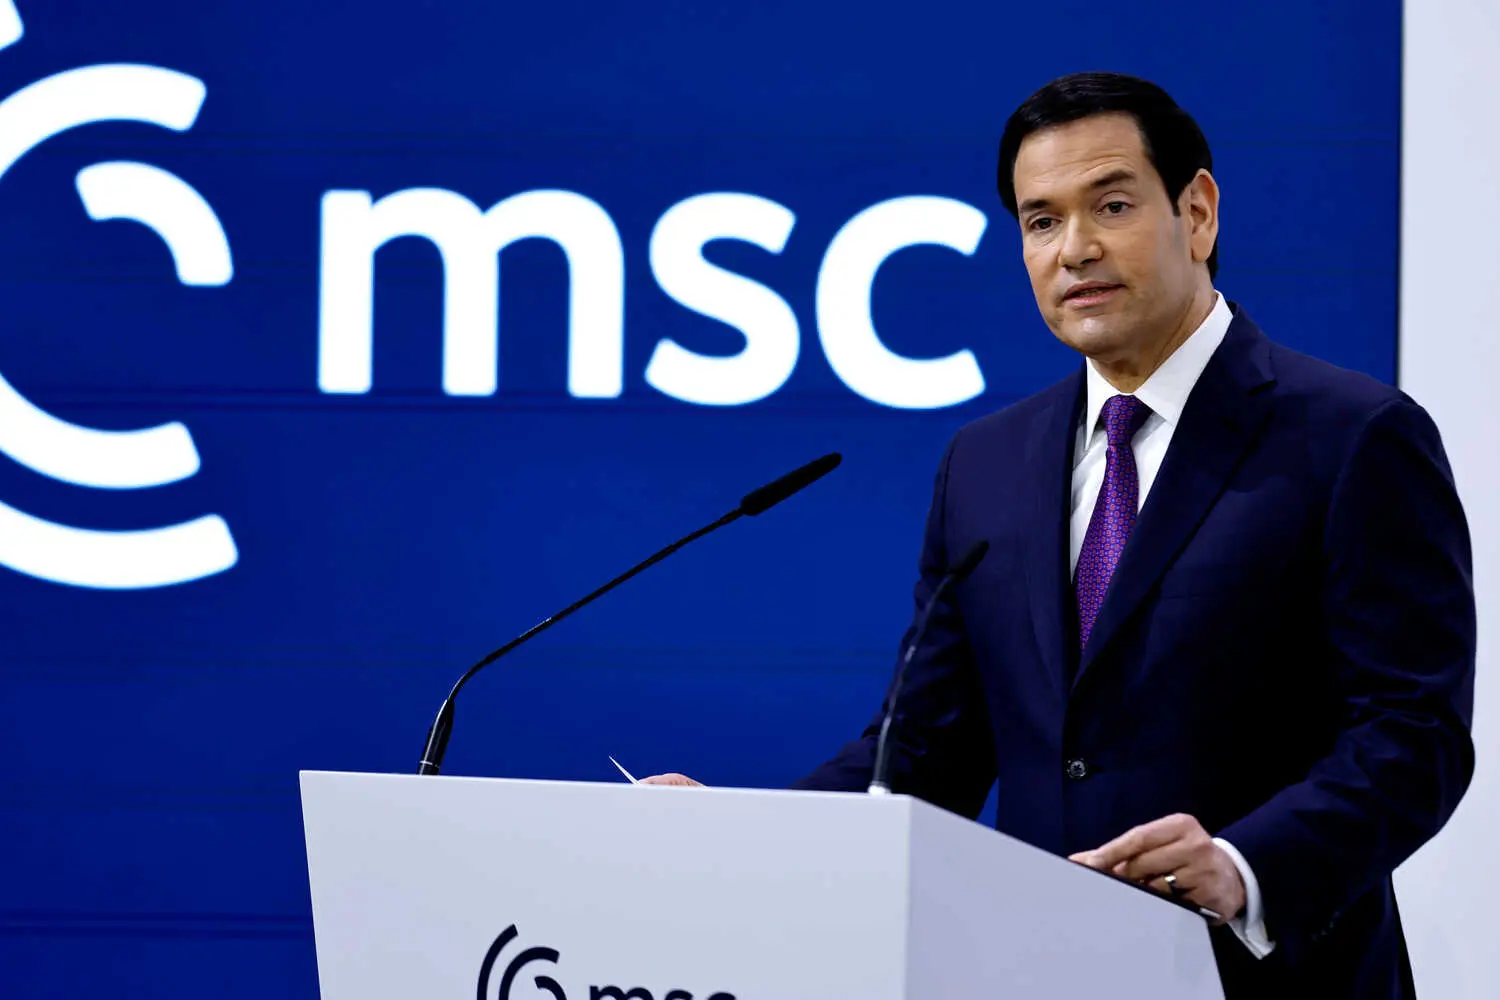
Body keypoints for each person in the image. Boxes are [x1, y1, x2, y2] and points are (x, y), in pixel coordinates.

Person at [641, 72, 1475, 998]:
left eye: (1112, 206)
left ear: (1197, 213)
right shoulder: (985, 463)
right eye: (1041, 221)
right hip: (1039, 972)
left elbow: (1414, 735)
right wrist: (741, 835)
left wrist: (1244, 866)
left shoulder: (1352, 435)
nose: (1075, 248)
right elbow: (925, 753)